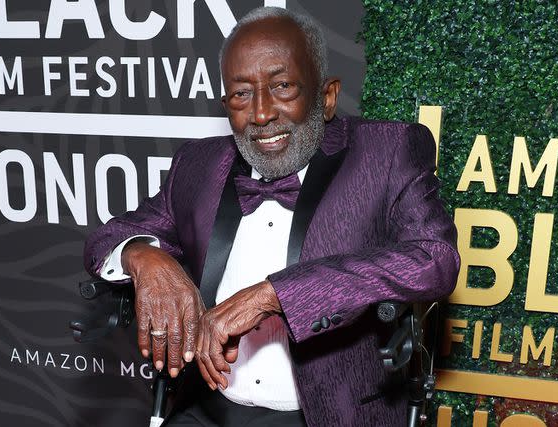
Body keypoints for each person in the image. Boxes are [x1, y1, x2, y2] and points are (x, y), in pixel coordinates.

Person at [84, 6, 459, 427]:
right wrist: (145, 259)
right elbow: (109, 237)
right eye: (242, 93)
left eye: (282, 86)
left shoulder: (387, 152)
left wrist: (274, 296)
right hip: (208, 405)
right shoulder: (201, 163)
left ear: (327, 96)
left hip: (329, 414)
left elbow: (435, 259)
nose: (261, 114)